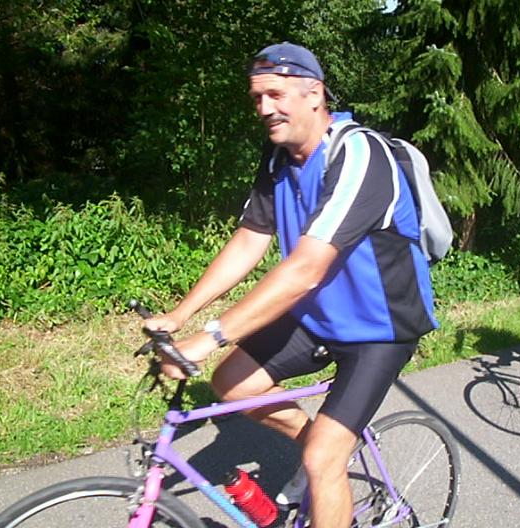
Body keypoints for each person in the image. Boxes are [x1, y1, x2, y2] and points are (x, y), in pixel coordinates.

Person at [144, 42, 437, 527]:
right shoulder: (279, 159)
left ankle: (324, 458)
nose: (264, 108)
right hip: (317, 315)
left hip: (380, 328)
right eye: (257, 98)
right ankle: (322, 450)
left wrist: (210, 337)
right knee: (231, 383)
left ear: (314, 93)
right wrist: (180, 314)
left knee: (323, 458)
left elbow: (305, 269)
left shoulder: (359, 154)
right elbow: (249, 240)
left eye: (275, 94)